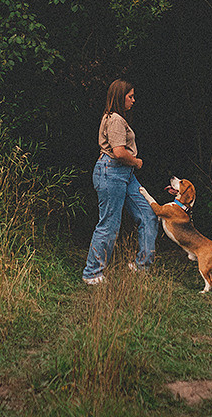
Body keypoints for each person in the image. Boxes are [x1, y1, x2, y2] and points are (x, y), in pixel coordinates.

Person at [81, 79, 157, 284]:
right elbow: (119, 152)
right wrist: (137, 162)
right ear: (119, 96)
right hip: (112, 172)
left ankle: (142, 265)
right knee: (109, 224)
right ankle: (92, 273)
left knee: (148, 213)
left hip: (125, 174)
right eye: (130, 96)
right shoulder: (114, 118)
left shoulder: (118, 118)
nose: (133, 100)